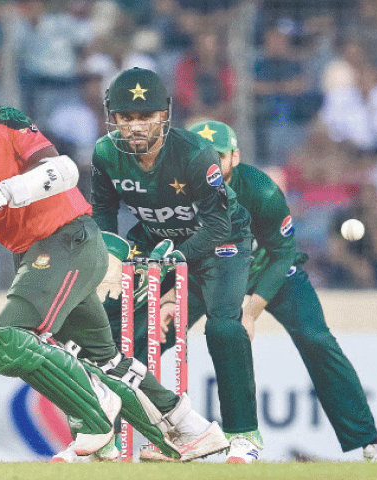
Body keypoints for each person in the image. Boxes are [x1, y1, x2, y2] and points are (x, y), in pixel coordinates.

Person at [0, 49, 227, 463]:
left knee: (9, 341)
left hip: (67, 239)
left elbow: (65, 172)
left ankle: (93, 411)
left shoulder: (2, 120)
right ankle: (191, 430)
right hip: (33, 256)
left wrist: (5, 191)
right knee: (107, 359)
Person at [184, 120, 377, 462]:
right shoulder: (177, 190)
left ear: (235, 157)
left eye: (218, 156)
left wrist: (251, 311)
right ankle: (113, 434)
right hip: (211, 273)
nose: (208, 164)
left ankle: (370, 442)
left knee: (317, 339)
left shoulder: (261, 188)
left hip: (271, 269)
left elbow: (284, 252)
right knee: (150, 329)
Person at [91, 67, 259, 463]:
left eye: (145, 117)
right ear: (112, 116)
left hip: (223, 242)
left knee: (222, 327)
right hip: (159, 238)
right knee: (107, 329)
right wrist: (111, 260)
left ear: (164, 115)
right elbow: (103, 211)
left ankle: (243, 436)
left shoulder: (194, 154)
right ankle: (114, 438)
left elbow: (218, 223)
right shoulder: (104, 153)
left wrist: (178, 258)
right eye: (126, 117)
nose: (135, 127)